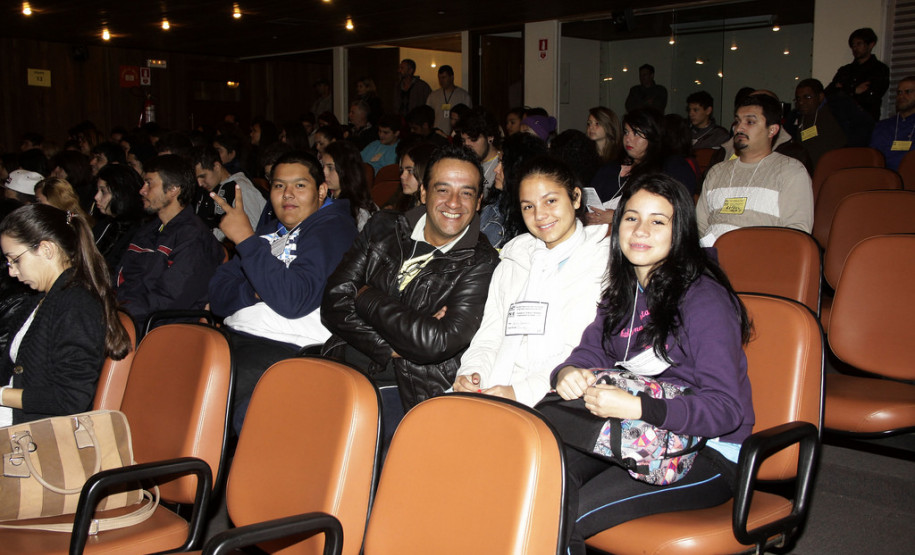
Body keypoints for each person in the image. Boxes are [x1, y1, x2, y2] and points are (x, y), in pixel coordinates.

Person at [552, 174, 753, 553]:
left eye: (658, 221)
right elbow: (589, 353)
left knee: (570, 514)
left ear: (680, 232)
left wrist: (640, 406)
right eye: (630, 218)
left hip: (707, 451)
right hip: (636, 433)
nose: (640, 230)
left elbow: (727, 409)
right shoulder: (624, 291)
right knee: (543, 481)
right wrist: (568, 374)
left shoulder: (705, 299)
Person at [321, 145, 499, 443]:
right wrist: (392, 344)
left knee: (362, 458)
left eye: (466, 193)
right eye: (442, 190)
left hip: (408, 387)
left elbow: (435, 342)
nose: (454, 203)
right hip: (343, 364)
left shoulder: (481, 262)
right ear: (424, 193)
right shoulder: (383, 227)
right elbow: (333, 301)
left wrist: (365, 296)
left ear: (479, 201)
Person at [208, 151, 357, 431]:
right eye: (279, 186)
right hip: (234, 340)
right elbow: (217, 295)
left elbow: (293, 300)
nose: (288, 194)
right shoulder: (268, 232)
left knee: (210, 399)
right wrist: (258, 289)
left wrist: (244, 240)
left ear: (322, 191)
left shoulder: (334, 230)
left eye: (299, 186)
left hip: (285, 349)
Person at [455, 157, 609, 406]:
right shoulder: (514, 259)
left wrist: (520, 392)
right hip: (494, 389)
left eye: (551, 201)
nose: (540, 215)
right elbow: (490, 334)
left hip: (557, 397)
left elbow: (581, 349)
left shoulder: (601, 263)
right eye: (528, 206)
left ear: (576, 198)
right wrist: (472, 374)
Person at [0, 204, 132, 424]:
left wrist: (3, 395)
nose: (11, 271)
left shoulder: (76, 305)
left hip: (40, 436)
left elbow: (71, 398)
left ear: (46, 250)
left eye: (15, 260)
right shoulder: (43, 299)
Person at [115, 154, 224, 326]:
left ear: (174, 189)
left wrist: (117, 312)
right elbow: (122, 276)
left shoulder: (194, 237)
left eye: (149, 183)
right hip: (131, 316)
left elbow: (169, 299)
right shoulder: (148, 230)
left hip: (164, 327)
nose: (142, 190)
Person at [697, 94, 814, 247]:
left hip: (761, 261)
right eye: (738, 121)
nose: (739, 128)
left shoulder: (790, 171)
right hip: (713, 261)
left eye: (750, 122)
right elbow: (700, 227)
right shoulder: (717, 172)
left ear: (772, 130)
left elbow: (797, 234)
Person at [587, 109, 697, 225]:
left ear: (653, 136)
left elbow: (675, 211)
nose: (628, 139)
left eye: (636, 133)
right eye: (626, 132)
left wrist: (618, 216)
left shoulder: (672, 166)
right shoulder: (613, 167)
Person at [479, 132, 548, 248]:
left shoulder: (535, 217)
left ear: (517, 171)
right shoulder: (494, 204)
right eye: (498, 162)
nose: (496, 169)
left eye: (503, 164)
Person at [190, 145, 266, 242]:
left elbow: (254, 230)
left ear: (217, 166)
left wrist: (212, 233)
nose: (200, 183)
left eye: (203, 176)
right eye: (196, 178)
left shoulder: (240, 188)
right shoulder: (206, 189)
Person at [92, 165, 145, 277]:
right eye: (98, 190)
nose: (96, 197)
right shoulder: (106, 224)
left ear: (121, 194)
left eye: (103, 191)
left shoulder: (140, 233)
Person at [827, 27, 890, 121]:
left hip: (865, 121)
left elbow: (871, 96)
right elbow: (829, 94)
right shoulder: (845, 70)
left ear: (871, 44)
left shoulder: (879, 69)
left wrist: (843, 90)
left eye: (859, 44)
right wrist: (854, 90)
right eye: (853, 45)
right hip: (842, 120)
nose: (855, 48)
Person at [792, 78, 848, 170]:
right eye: (798, 98)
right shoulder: (797, 117)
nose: (801, 102)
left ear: (820, 97)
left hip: (831, 170)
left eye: (807, 97)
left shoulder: (833, 115)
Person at [323, 141, 378, 230]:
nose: (324, 172)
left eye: (330, 168)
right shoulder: (328, 198)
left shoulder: (359, 210)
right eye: (323, 166)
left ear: (346, 170)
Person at [869, 76, 915, 171]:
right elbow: (873, 158)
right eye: (899, 92)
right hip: (884, 179)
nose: (902, 96)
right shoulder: (883, 126)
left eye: (908, 92)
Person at [461, 107, 502, 197]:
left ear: (490, 137)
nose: (467, 144)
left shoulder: (502, 165)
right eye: (463, 140)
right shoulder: (464, 162)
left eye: (473, 139)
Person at [385, 141, 436, 212]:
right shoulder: (403, 199)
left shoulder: (435, 211)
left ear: (425, 172)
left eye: (410, 171)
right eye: (402, 171)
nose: (402, 176)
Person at [426, 65, 472, 136]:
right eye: (439, 78)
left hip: (456, 135)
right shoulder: (433, 95)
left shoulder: (463, 95)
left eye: (444, 77)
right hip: (437, 134)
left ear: (452, 77)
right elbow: (427, 115)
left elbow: (469, 117)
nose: (441, 81)